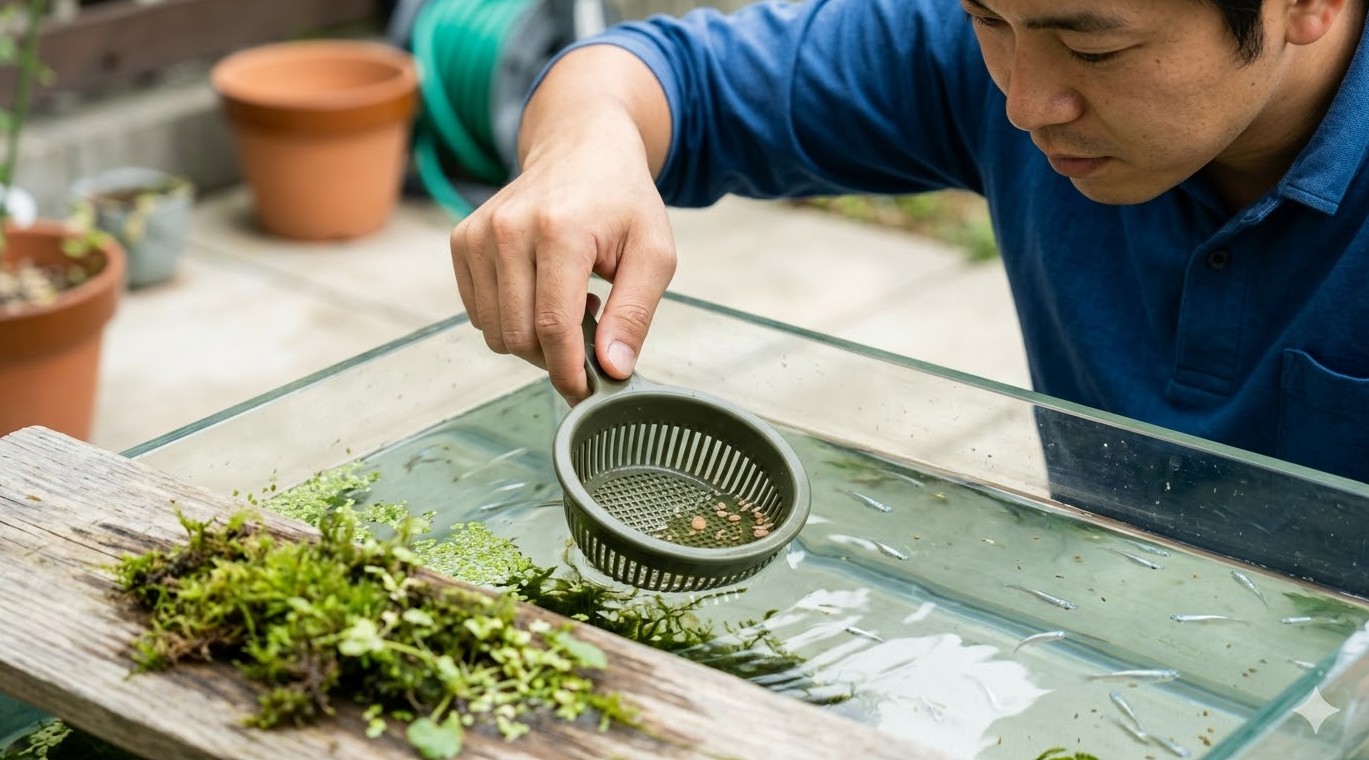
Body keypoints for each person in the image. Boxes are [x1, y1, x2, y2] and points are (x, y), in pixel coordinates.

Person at [448, 0, 1369, 488]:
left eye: (1092, 52)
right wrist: (580, 150)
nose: (1022, 103)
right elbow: (666, 75)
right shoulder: (996, 36)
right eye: (987, 21)